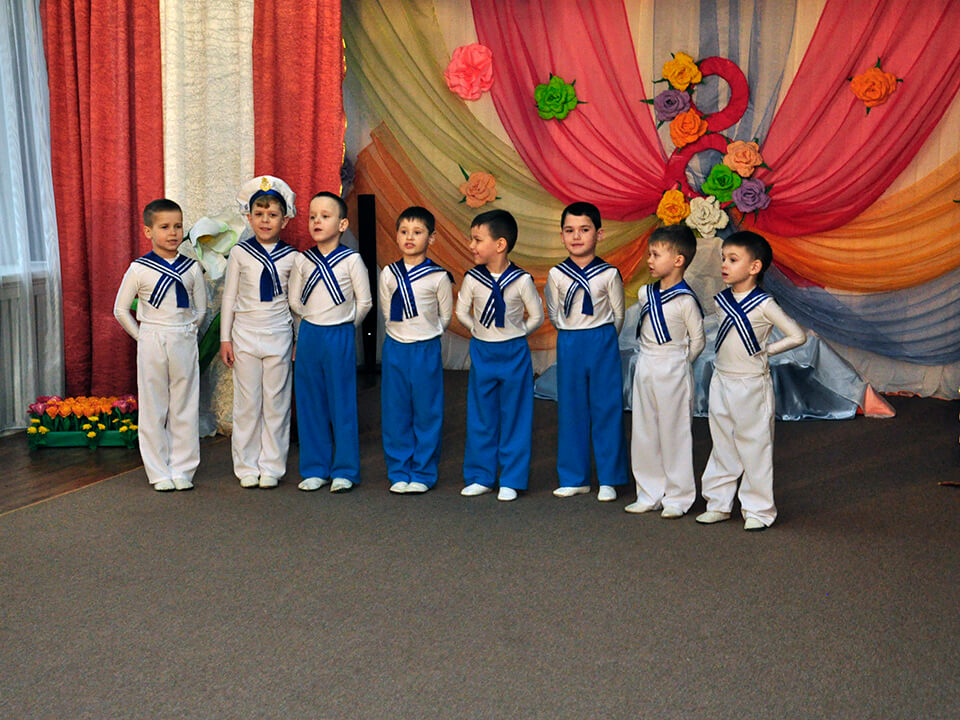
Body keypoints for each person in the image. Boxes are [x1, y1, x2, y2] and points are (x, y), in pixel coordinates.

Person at [697, 230, 805, 530]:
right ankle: (718, 503)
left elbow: (797, 336)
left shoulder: (764, 304)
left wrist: (768, 350)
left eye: (733, 259)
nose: (724, 265)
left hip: (751, 383)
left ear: (755, 267)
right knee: (722, 443)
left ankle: (758, 510)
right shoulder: (722, 300)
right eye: (723, 258)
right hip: (722, 379)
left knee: (755, 446)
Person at [114, 199, 207, 491]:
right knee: (154, 406)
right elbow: (120, 309)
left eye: (178, 226)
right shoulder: (139, 269)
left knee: (185, 404)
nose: (173, 232)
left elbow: (202, 309)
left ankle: (183, 469)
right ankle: (158, 471)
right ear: (148, 231)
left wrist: (188, 330)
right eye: (164, 227)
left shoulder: (192, 268)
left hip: (183, 337)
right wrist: (142, 336)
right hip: (152, 337)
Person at [455, 209, 544, 501]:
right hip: (483, 350)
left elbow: (537, 316)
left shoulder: (521, 280)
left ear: (500, 244)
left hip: (513, 352)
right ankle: (480, 476)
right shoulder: (472, 279)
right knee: (481, 414)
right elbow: (461, 311)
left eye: (477, 239)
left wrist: (517, 334)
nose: (471, 245)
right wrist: (478, 330)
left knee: (515, 414)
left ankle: (512, 479)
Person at [288, 191, 372, 493]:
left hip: (340, 334)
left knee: (342, 402)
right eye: (312, 216)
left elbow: (364, 302)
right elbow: (294, 301)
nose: (317, 221)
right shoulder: (302, 260)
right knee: (310, 402)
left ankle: (345, 470)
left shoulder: (352, 260)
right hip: (310, 334)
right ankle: (314, 468)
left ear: (342, 224)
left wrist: (346, 325)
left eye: (325, 216)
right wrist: (311, 323)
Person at [544, 201, 628, 502]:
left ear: (599, 234)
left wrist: (601, 337)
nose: (576, 236)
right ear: (562, 235)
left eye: (584, 229)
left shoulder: (609, 274)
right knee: (571, 408)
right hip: (570, 341)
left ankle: (609, 478)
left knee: (606, 407)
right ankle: (574, 477)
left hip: (601, 339)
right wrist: (571, 331)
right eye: (569, 230)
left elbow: (619, 314)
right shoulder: (557, 274)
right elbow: (554, 312)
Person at [219, 176, 299, 489]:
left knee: (276, 403)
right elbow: (229, 297)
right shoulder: (240, 253)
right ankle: (246, 466)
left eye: (273, 214)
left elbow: (296, 304)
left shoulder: (293, 257)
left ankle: (272, 466)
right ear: (249, 217)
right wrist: (225, 338)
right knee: (247, 403)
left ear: (285, 219)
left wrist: (297, 339)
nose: (266, 220)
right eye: (259, 214)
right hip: (245, 335)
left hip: (278, 334)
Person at [626, 224, 705, 517]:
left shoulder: (686, 300)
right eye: (650, 254)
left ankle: (678, 497)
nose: (649, 260)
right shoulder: (646, 293)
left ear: (678, 260)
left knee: (675, 433)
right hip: (646, 364)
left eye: (656, 255)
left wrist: (681, 363)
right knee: (644, 431)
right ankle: (648, 493)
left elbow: (698, 340)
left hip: (674, 366)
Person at [379, 206, 453, 494]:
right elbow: (388, 312)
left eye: (417, 232)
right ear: (397, 235)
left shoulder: (438, 277)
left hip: (425, 349)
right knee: (396, 411)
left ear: (431, 238)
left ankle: (423, 472)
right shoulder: (388, 273)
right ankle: (398, 471)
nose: (409, 237)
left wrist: (425, 335)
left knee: (427, 412)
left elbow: (445, 317)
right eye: (404, 231)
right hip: (396, 348)